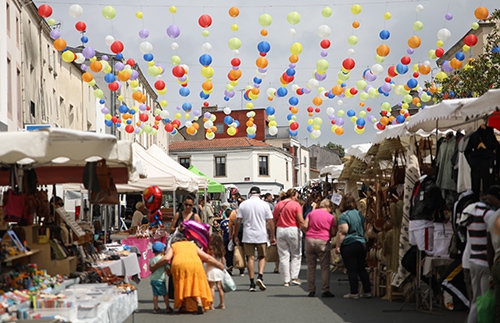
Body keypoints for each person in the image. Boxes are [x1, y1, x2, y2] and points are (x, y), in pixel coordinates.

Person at [153, 237, 225, 314]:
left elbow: (166, 258)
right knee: (194, 284)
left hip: (179, 265)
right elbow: (207, 257)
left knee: (183, 285)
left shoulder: (174, 245)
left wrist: (155, 266)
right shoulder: (192, 245)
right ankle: (198, 300)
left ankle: (183, 305)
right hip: (195, 265)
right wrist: (219, 264)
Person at [463, 186, 500, 323]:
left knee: (476, 300)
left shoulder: (471, 212)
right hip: (484, 262)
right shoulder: (488, 214)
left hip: (473, 260)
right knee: (486, 300)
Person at [234, 186, 275, 292]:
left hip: (248, 234)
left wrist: (235, 235)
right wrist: (273, 236)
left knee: (250, 258)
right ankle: (260, 276)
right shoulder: (264, 205)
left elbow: (238, 221)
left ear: (250, 194)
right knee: (262, 256)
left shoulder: (243, 204)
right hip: (261, 234)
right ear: (259, 194)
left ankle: (252, 283)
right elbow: (270, 221)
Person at [335, 193, 372, 299]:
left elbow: (343, 231)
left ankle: (354, 292)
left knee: (352, 269)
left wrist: (338, 246)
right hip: (361, 243)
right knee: (361, 268)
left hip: (349, 244)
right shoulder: (360, 214)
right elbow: (365, 228)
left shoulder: (344, 216)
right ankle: (367, 291)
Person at [303, 198, 336, 298]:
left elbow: (304, 225)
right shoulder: (330, 217)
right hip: (323, 241)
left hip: (309, 240)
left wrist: (308, 233)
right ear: (328, 207)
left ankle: (311, 290)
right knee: (325, 267)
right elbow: (333, 232)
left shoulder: (311, 214)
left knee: (311, 267)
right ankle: (325, 290)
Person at [273, 188, 305, 286]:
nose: (297, 197)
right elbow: (300, 220)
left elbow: (274, 219)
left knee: (283, 255)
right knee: (296, 254)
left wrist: (273, 233)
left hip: (280, 229)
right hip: (293, 229)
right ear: (293, 195)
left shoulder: (278, 204)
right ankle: (294, 277)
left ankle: (286, 280)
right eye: (296, 195)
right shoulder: (296, 205)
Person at [149, 241, 173, 314]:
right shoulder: (163, 259)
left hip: (153, 279)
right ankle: (168, 307)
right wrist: (169, 273)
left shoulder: (152, 260)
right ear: (162, 250)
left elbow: (151, 269)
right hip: (160, 280)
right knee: (165, 294)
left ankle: (156, 307)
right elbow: (167, 269)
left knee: (155, 295)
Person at [206, 233, 226, 309]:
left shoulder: (210, 249)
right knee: (220, 287)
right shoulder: (221, 249)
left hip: (211, 269)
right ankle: (222, 303)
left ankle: (212, 304)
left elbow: (207, 258)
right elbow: (223, 261)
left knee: (212, 287)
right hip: (219, 269)